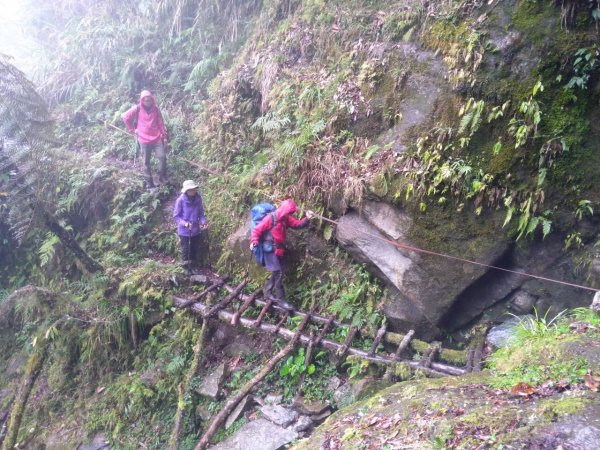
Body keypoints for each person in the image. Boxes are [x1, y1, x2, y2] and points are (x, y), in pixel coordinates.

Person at [250, 199, 314, 311]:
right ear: (284, 210)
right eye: (289, 213)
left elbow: (296, 224)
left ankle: (267, 291)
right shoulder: (270, 218)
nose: (290, 215)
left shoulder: (286, 218)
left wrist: (307, 218)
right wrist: (254, 241)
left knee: (278, 272)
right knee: (278, 273)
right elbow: (256, 230)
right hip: (269, 250)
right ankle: (281, 301)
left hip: (278, 249)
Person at [123, 90, 168, 188]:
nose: (148, 102)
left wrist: (164, 136)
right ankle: (150, 184)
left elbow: (160, 123)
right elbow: (125, 117)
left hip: (156, 138)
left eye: (149, 100)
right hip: (143, 139)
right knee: (146, 162)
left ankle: (162, 176)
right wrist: (133, 130)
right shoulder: (137, 108)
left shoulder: (156, 109)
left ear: (152, 100)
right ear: (142, 101)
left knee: (162, 157)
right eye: (145, 100)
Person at [173, 180, 208, 273]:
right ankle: (186, 269)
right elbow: (176, 216)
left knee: (194, 248)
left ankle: (193, 267)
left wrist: (203, 222)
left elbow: (201, 213)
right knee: (186, 249)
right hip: (184, 231)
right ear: (186, 190)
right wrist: (185, 224)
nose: (193, 191)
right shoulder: (180, 200)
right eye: (191, 189)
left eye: (194, 189)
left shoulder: (198, 198)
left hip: (195, 230)